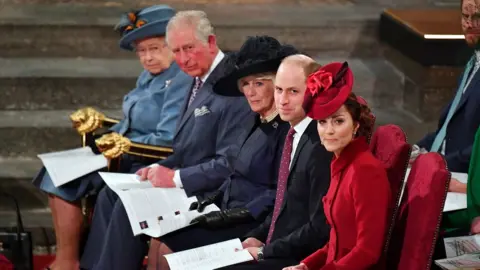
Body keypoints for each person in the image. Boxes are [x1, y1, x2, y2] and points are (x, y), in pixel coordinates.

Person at [79, 10, 252, 270]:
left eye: (189, 48)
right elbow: (185, 148)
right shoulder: (196, 78)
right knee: (112, 195)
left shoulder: (232, 84)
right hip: (188, 177)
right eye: (177, 51)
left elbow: (229, 162)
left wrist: (174, 177)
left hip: (215, 191)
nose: (182, 59)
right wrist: (160, 168)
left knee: (131, 206)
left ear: (211, 42)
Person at [32, 5, 190, 270]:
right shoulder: (149, 77)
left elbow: (167, 138)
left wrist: (122, 144)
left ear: (173, 45)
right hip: (123, 150)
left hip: (146, 158)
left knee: (65, 179)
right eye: (141, 51)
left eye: (155, 48)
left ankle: (67, 263)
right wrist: (102, 123)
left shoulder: (181, 79)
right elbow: (131, 123)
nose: (148, 57)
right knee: (56, 171)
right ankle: (68, 261)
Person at [146, 35, 297, 269]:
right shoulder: (254, 121)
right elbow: (235, 171)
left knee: (167, 251)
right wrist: (212, 200)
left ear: (277, 86)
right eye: (245, 84)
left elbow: (278, 193)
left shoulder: (286, 130)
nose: (250, 92)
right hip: (226, 210)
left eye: (259, 83)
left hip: (252, 222)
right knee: (158, 239)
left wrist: (235, 215)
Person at [217, 54, 332, 270]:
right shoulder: (296, 134)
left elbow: (319, 227)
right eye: (279, 90)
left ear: (314, 92)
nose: (283, 100)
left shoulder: (320, 145)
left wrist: (264, 252)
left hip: (298, 257)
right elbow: (284, 204)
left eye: (293, 91)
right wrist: (256, 236)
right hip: (276, 245)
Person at [283, 62, 390, 270]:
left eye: (338, 121)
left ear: (356, 125)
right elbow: (337, 240)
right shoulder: (340, 163)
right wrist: (306, 265)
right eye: (322, 122)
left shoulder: (365, 170)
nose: (329, 130)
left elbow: (367, 251)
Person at [413, 0, 480, 192]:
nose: (469, 24)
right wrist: (418, 150)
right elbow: (449, 128)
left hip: (466, 183)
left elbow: (476, 151)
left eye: (477, 18)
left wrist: (436, 162)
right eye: (465, 17)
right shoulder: (473, 62)